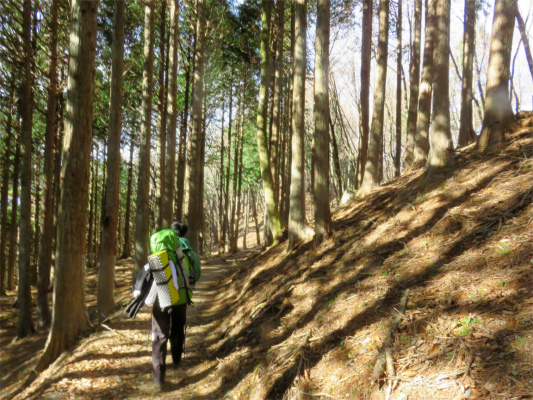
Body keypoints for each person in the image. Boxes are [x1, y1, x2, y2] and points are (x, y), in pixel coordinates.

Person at [143, 226, 199, 390]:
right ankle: (176, 359)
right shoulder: (181, 258)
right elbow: (190, 277)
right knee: (178, 328)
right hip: (180, 299)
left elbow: (145, 282)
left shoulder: (154, 260)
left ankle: (158, 379)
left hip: (160, 300)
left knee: (159, 336)